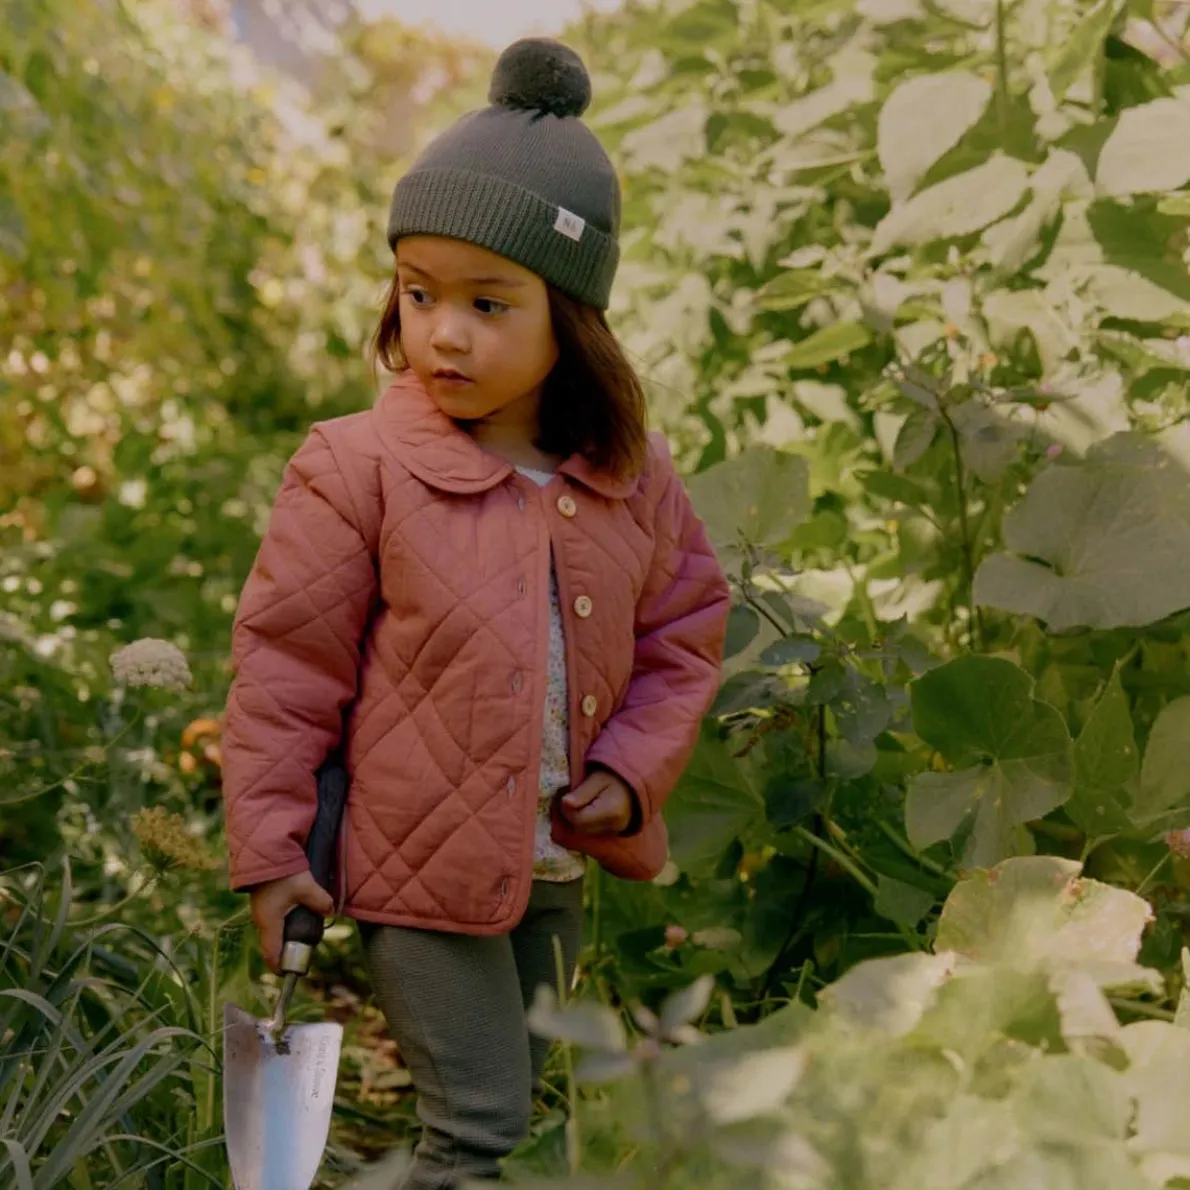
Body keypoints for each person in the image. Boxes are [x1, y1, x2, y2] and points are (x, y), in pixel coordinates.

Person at [221, 36, 730, 1190]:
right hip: (414, 871)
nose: (442, 330)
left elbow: (682, 636)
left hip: (554, 859)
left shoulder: (628, 475)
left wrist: (633, 767)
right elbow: (286, 670)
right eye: (419, 293)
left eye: (487, 302)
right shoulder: (356, 469)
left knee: (543, 1104)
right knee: (482, 1126)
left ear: (573, 319)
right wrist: (268, 853)